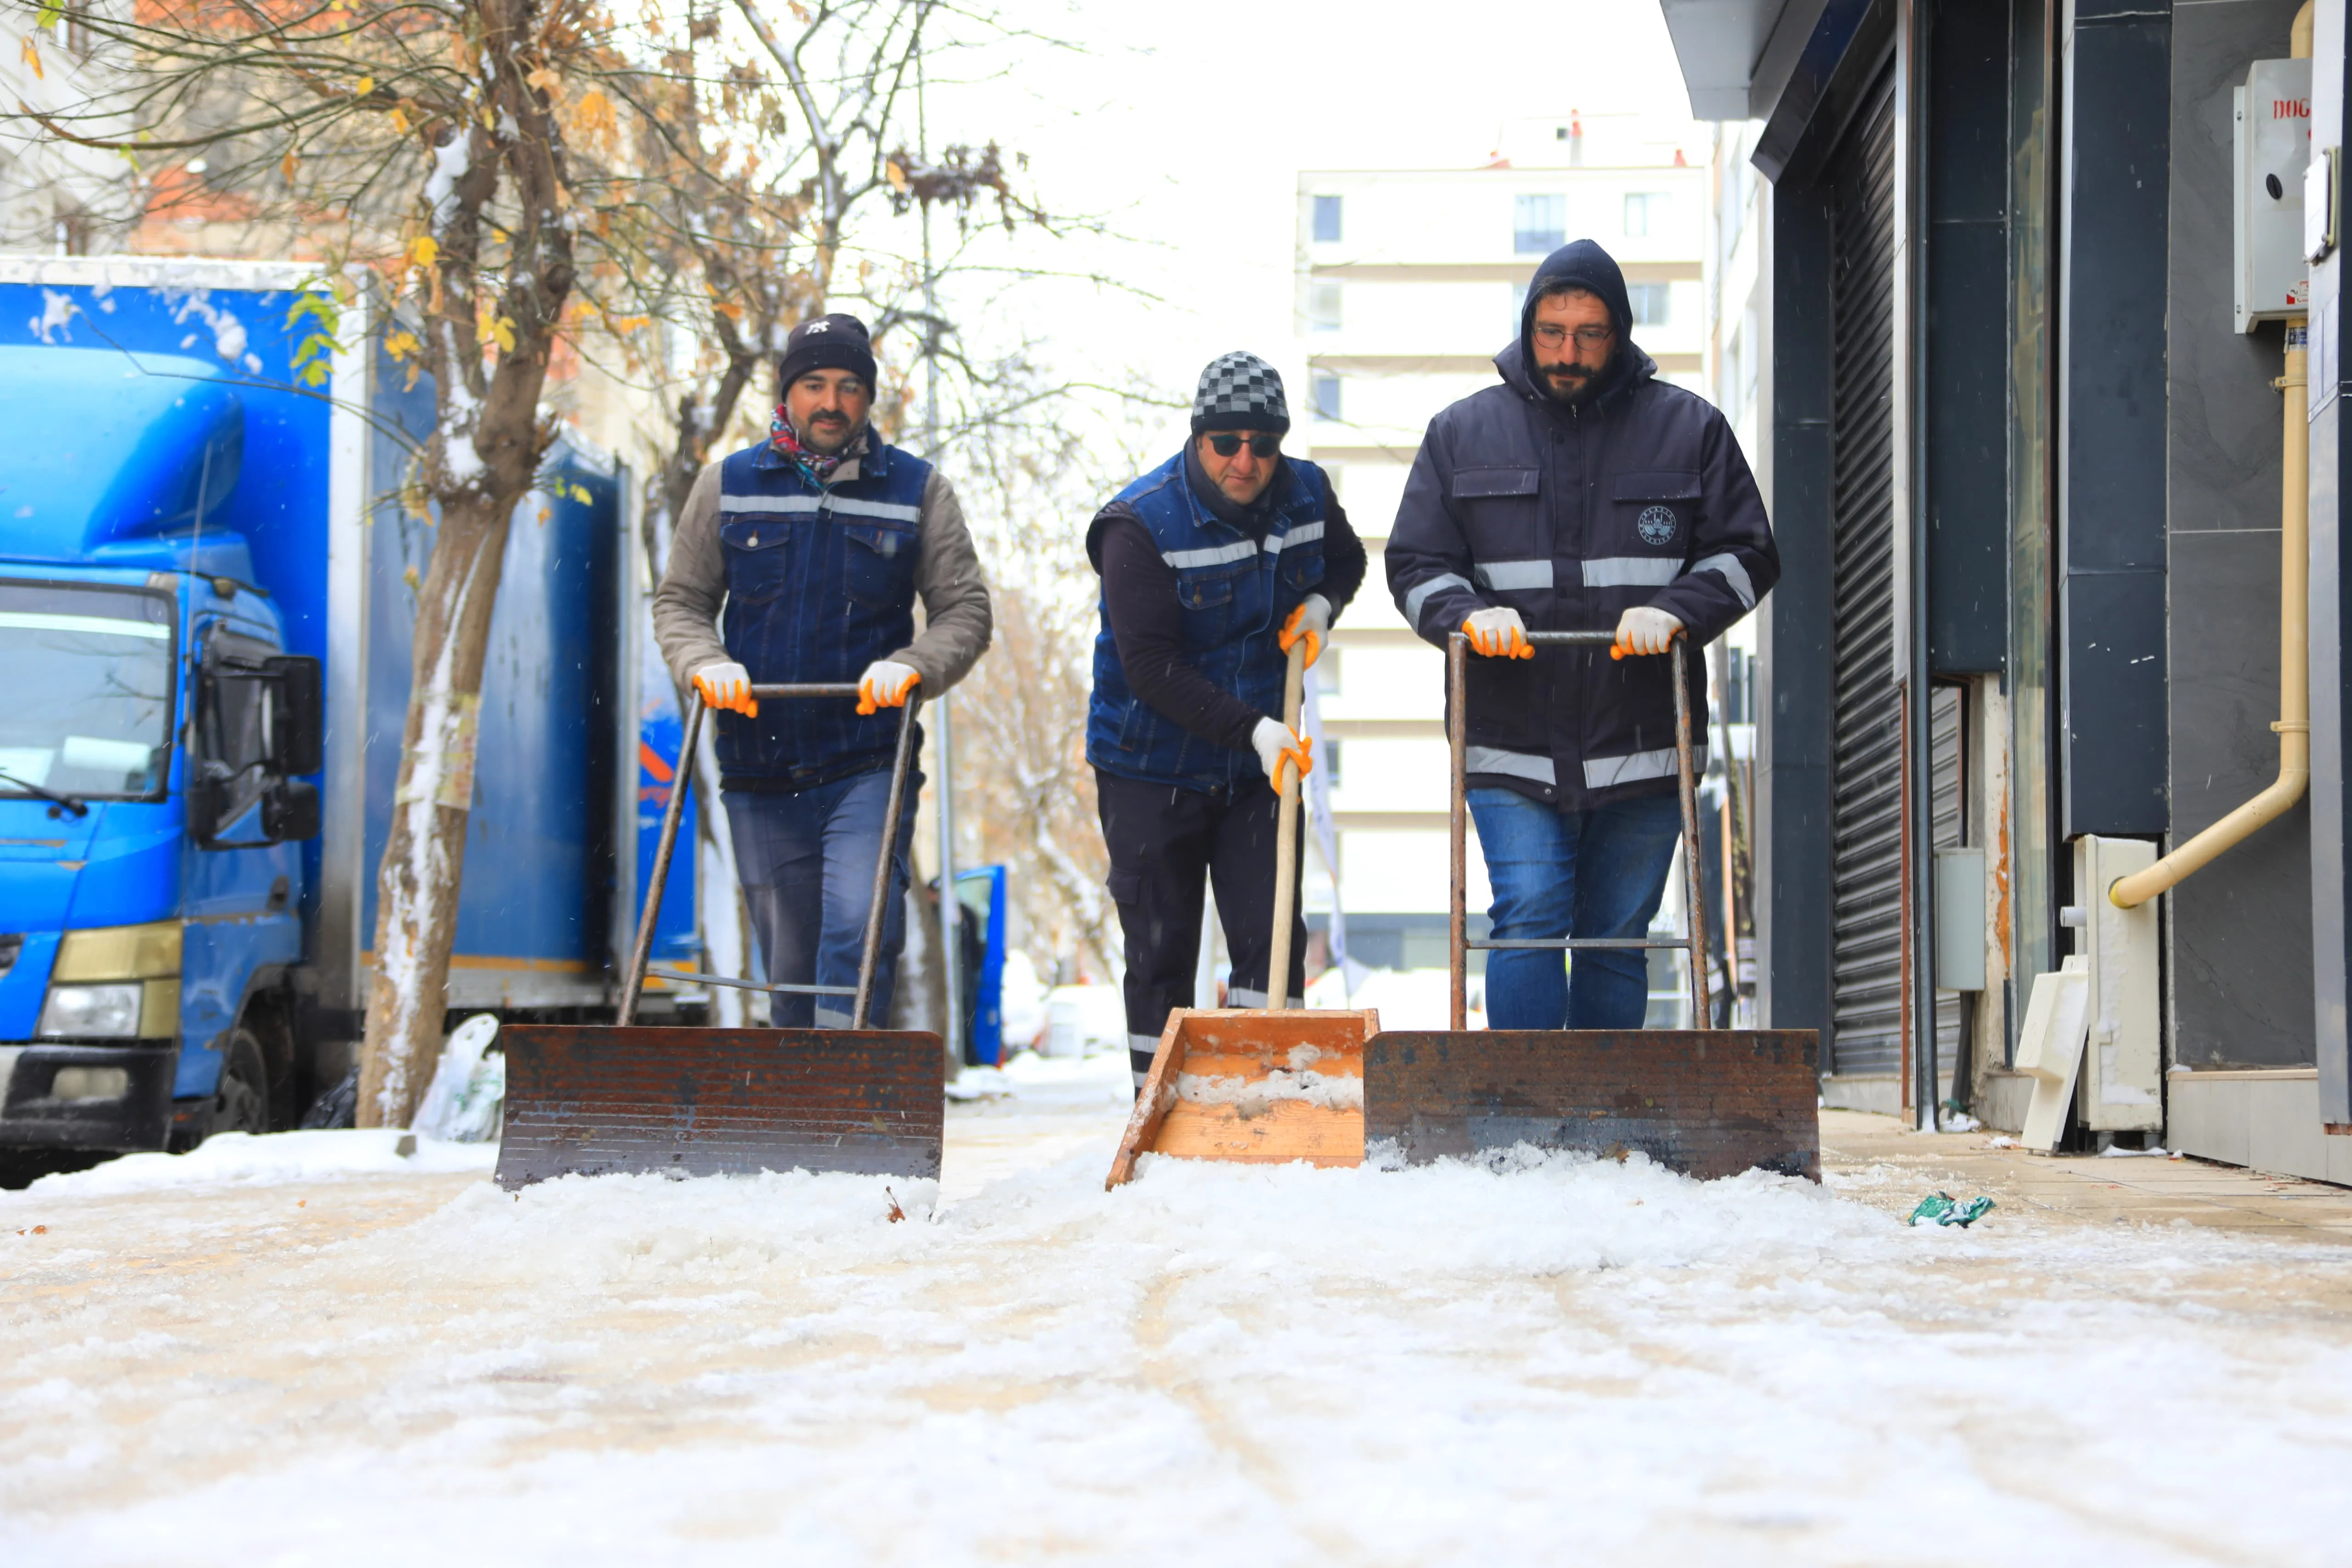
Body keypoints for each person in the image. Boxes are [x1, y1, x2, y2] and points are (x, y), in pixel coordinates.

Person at [1385, 240, 1777, 1030]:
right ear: (1528, 327)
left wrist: (1679, 609)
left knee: (1614, 937)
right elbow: (1416, 564)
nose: (1568, 352)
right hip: (1510, 739)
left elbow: (1749, 553)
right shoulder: (1460, 434)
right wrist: (1468, 615)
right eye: (1552, 331)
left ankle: (1604, 1126)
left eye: (1590, 334)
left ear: (1621, 333)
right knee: (1529, 916)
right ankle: (1524, 1129)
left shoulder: (1690, 430)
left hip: (1644, 737)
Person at [653, 312, 992, 1026]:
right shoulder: (727, 484)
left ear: (869, 399)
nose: (830, 402)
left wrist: (912, 667)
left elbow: (964, 613)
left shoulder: (917, 492)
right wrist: (704, 663)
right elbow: (681, 602)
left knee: (858, 930)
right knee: (791, 965)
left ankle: (846, 1112)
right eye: (813, 385)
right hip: (757, 764)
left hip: (866, 760)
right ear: (787, 395)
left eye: (848, 387)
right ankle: (800, 1115)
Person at [1088, 351, 1367, 1090]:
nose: (1246, 461)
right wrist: (1253, 728)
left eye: (1264, 444)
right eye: (1227, 443)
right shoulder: (1138, 523)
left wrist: (1322, 607)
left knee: (1270, 935)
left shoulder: (1306, 493)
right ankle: (1161, 1108)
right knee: (1160, 950)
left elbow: (1347, 561)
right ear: (1198, 436)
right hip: (1149, 765)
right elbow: (1150, 668)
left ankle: (1266, 1097)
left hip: (1256, 773)